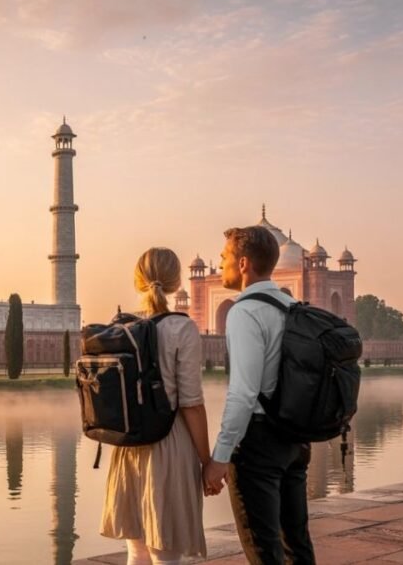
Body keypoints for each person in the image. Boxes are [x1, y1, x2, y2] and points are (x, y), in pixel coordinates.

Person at [203, 226, 314, 564]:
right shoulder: (292, 305)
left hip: (260, 443)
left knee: (264, 549)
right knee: (297, 544)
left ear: (244, 263)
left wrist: (219, 457)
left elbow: (243, 392)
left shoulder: (245, 311)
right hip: (295, 438)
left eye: (224, 258)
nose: (219, 265)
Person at [101, 247, 212, 564]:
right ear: (177, 282)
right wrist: (207, 461)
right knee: (166, 552)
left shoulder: (122, 328)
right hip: (169, 444)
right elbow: (191, 403)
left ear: (138, 282)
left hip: (128, 446)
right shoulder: (182, 328)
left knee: (136, 550)